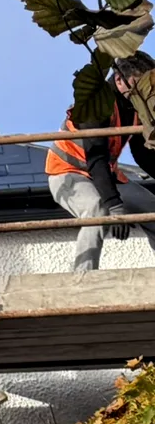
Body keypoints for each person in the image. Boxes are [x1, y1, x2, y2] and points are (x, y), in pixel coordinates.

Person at [47, 51, 155, 271]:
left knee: (153, 210)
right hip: (68, 172)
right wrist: (115, 206)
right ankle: (84, 279)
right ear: (119, 79)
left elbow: (142, 153)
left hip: (106, 174)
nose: (145, 91)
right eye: (139, 84)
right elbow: (96, 158)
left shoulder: (134, 104)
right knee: (97, 211)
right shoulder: (96, 104)